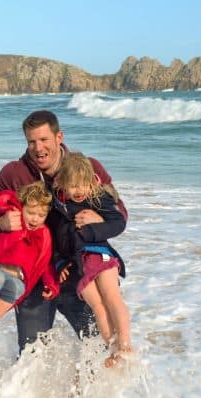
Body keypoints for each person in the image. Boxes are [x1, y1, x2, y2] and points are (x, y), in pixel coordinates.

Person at [0, 110, 127, 353]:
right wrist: (0, 223)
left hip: (79, 271)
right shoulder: (13, 173)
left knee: (98, 348)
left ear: (59, 137)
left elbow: (119, 212)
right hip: (34, 276)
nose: (38, 148)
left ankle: (87, 392)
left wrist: (98, 218)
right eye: (31, 141)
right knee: (31, 354)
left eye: (44, 140)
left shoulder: (87, 168)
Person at [52, 152, 131, 367]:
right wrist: (60, 264)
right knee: (97, 306)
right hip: (79, 265)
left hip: (100, 254)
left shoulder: (99, 198)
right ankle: (112, 350)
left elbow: (118, 222)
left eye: (83, 184)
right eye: (73, 185)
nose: (78, 190)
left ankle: (124, 344)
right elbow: (57, 241)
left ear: (91, 181)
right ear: (62, 184)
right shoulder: (58, 206)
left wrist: (92, 230)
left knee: (112, 297)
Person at [0, 182, 59, 337]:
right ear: (22, 207)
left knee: (16, 289)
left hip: (17, 277)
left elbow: (46, 263)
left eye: (41, 215)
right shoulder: (14, 217)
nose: (35, 219)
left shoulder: (44, 235)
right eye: (31, 213)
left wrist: (51, 284)